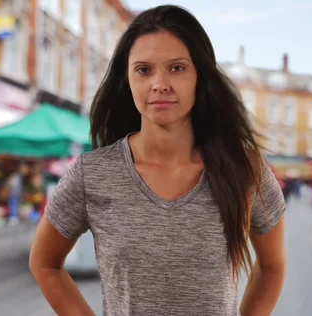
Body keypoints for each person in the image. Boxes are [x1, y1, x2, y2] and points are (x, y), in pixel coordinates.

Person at [29, 5, 286, 316]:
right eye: (144, 69)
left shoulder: (244, 169)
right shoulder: (92, 173)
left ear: (199, 77)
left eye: (176, 68)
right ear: (127, 79)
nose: (159, 83)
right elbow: (44, 263)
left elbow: (271, 266)